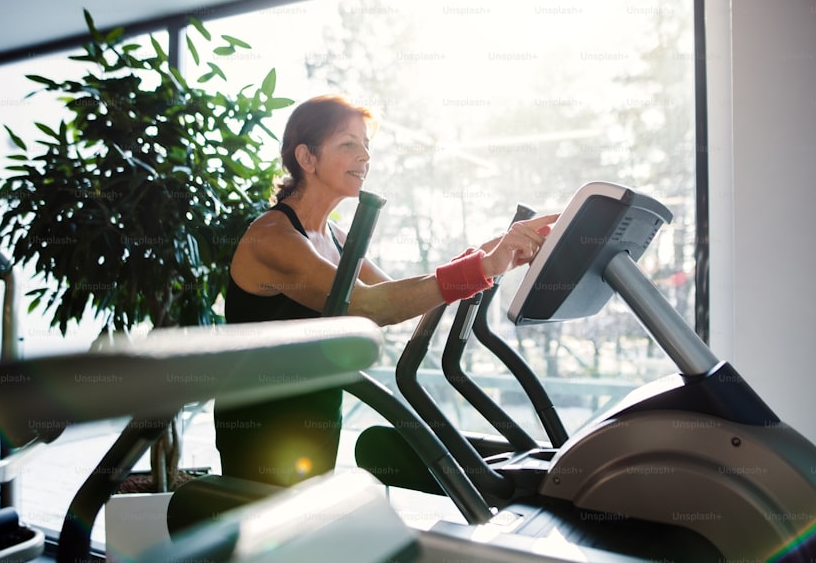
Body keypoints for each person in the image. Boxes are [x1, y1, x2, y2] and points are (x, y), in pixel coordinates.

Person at [214, 94, 558, 487]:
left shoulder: (337, 239)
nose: (364, 156)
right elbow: (369, 306)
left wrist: (498, 251)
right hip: (261, 425)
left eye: (366, 145)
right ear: (307, 158)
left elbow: (402, 293)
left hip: (317, 416)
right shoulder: (273, 236)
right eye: (348, 144)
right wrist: (483, 266)